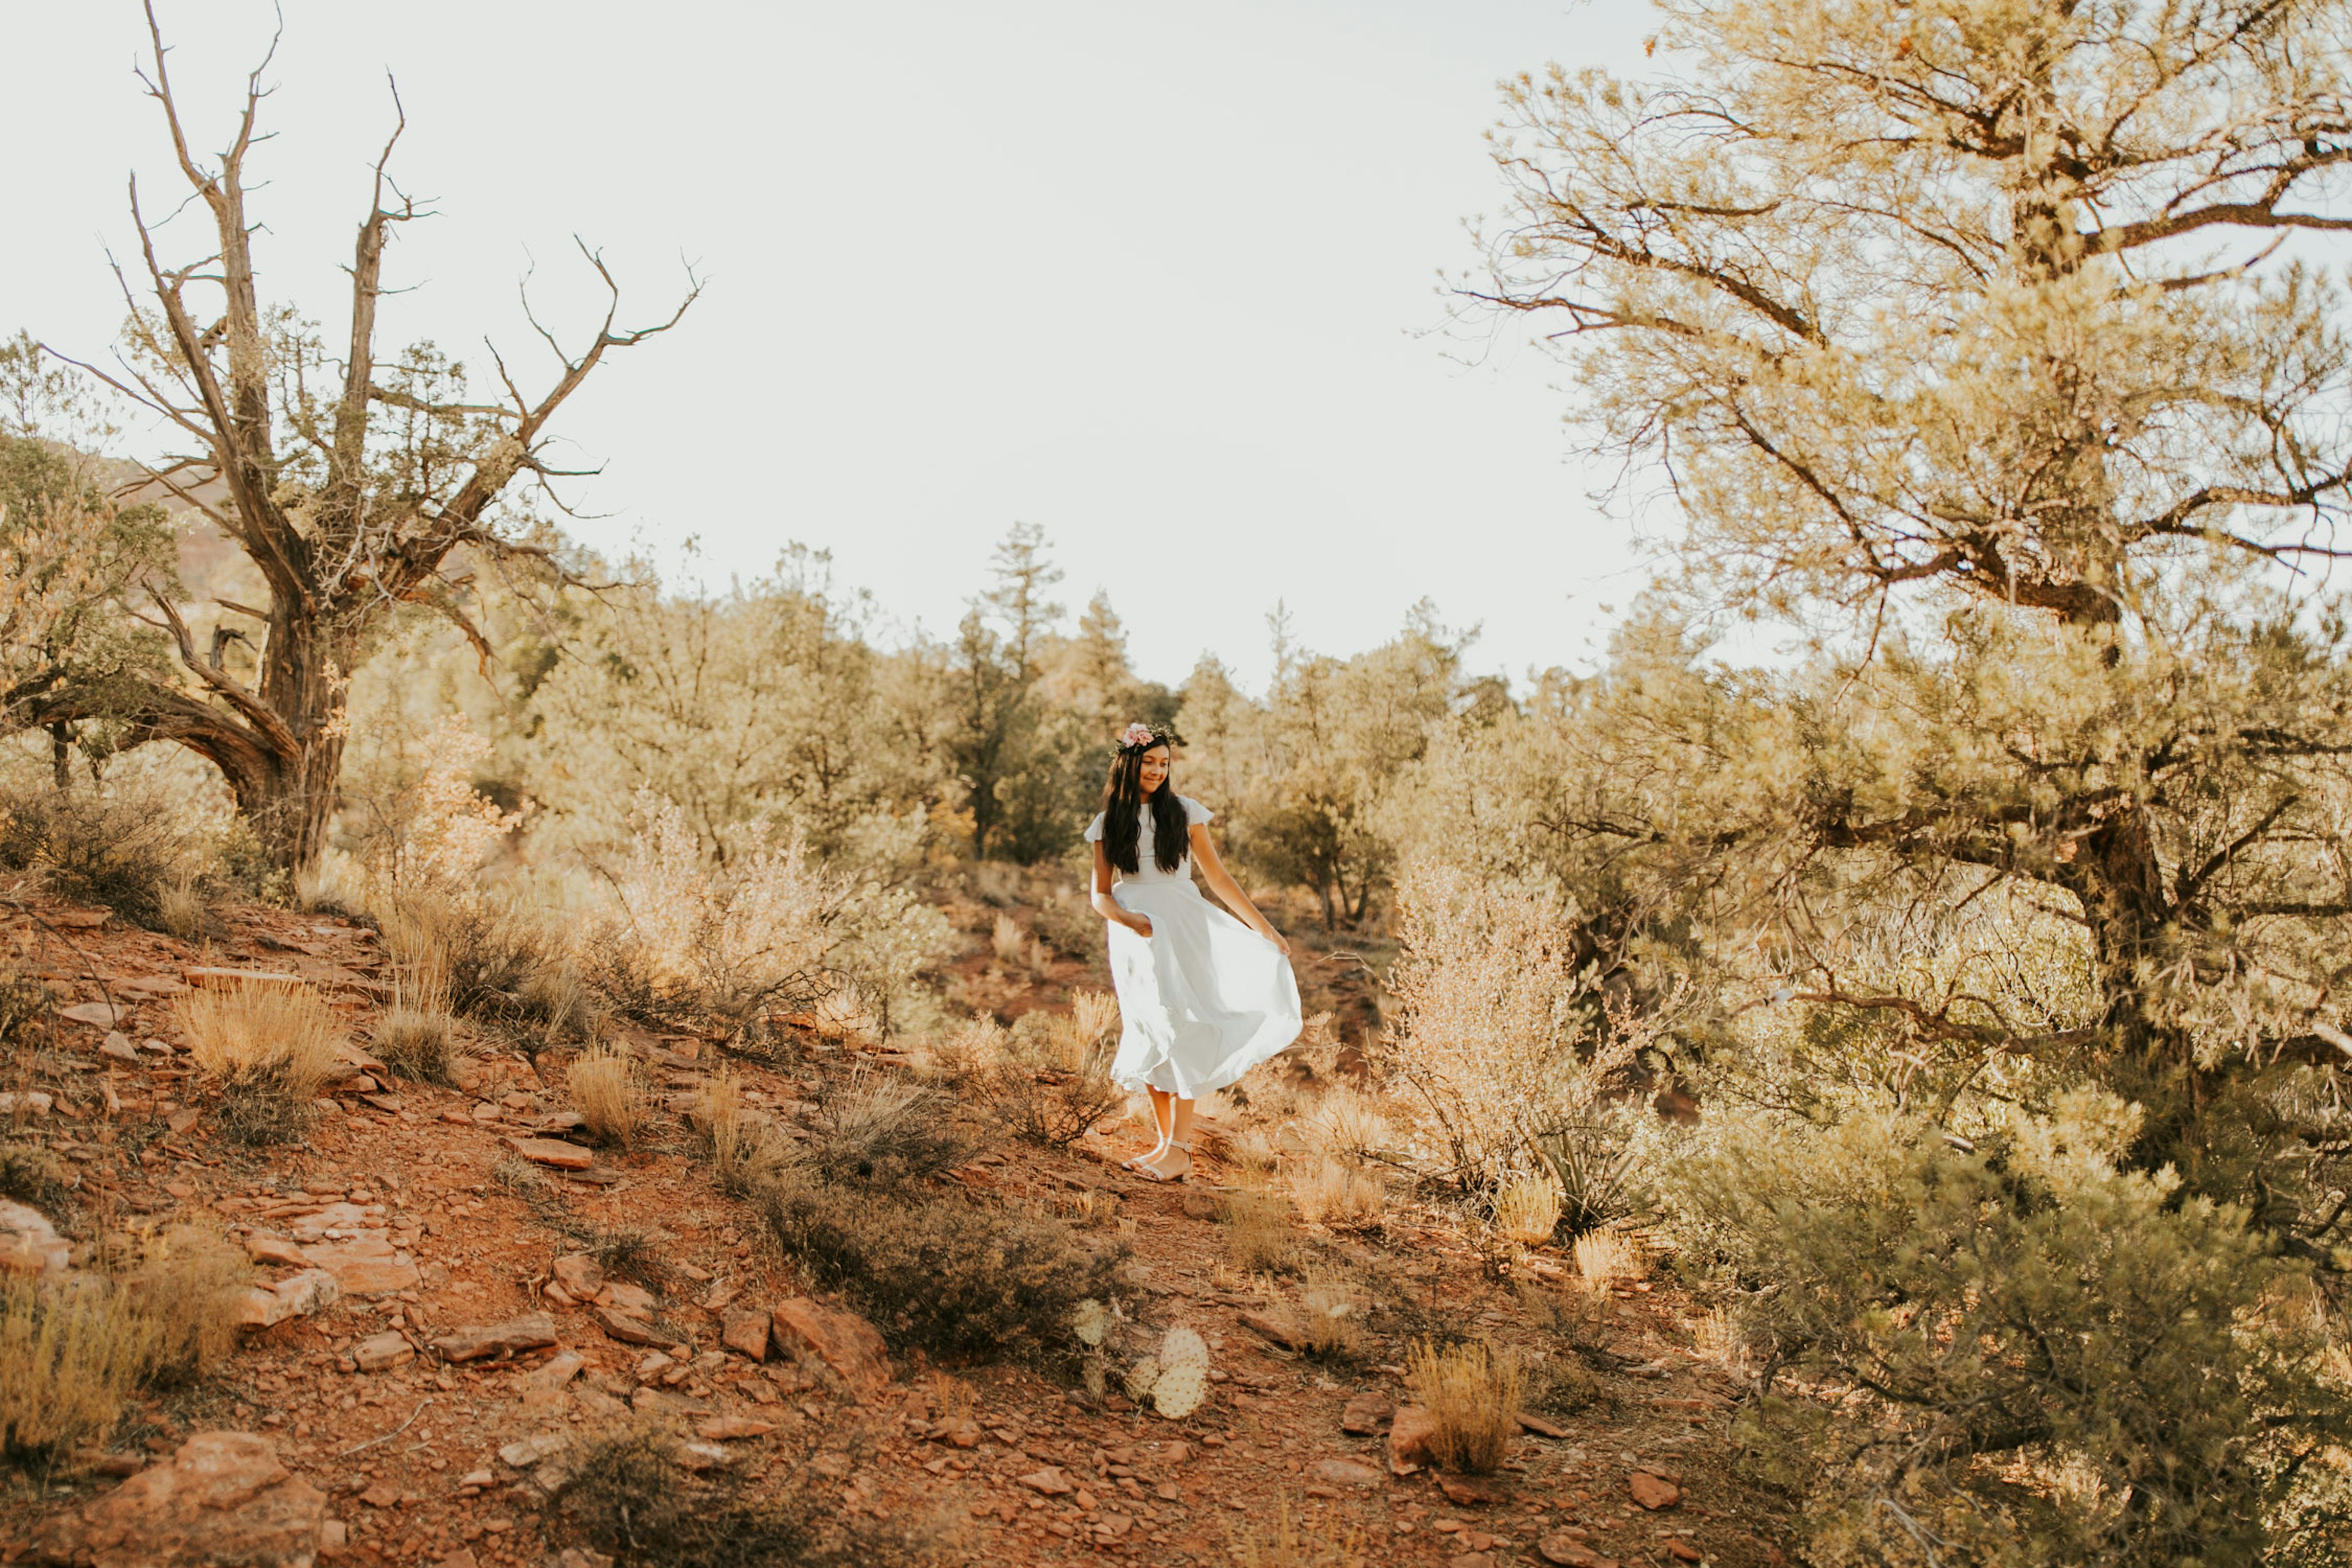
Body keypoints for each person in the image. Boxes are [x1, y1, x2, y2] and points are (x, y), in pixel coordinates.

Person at [1087, 722, 1300, 1182]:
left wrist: (1263, 928)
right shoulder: (1109, 823)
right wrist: (1130, 921)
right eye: (1150, 763)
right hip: (1134, 935)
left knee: (1184, 1024)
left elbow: (1219, 879)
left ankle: (1181, 1149)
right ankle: (1165, 1146)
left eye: (1165, 764)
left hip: (1183, 924)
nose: (1158, 772)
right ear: (1129, 763)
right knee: (1149, 1028)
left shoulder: (1184, 813)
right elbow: (1100, 896)